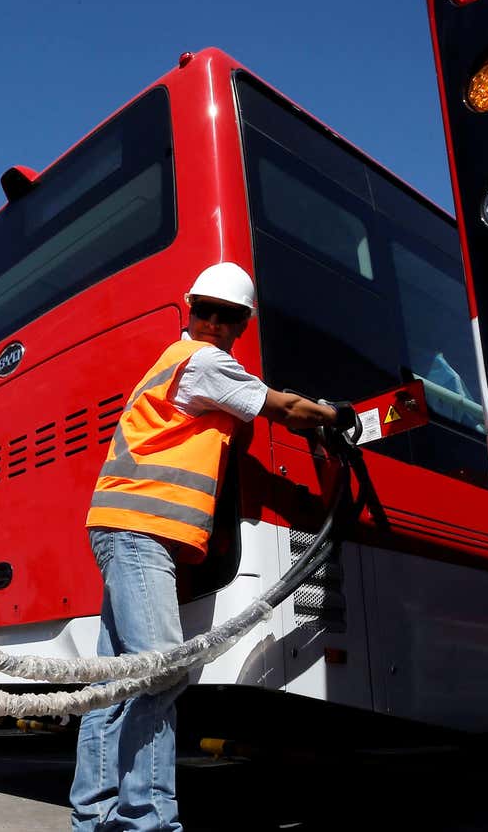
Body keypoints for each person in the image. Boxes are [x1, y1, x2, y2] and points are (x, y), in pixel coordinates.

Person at [69, 262, 341, 831]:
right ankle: (148, 821)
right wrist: (336, 416)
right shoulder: (203, 361)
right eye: (206, 312)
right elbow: (286, 409)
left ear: (241, 322)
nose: (215, 322)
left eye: (228, 315)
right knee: (163, 674)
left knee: (119, 681)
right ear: (190, 312)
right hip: (140, 532)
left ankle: (92, 817)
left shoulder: (174, 364)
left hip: (122, 527)